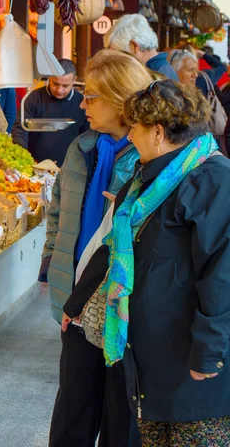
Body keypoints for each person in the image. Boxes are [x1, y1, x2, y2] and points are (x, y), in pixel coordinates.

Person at [64, 80, 230, 446]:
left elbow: (222, 274)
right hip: (150, 362)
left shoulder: (212, 180)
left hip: (192, 366)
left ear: (157, 132)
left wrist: (210, 353)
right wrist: (76, 303)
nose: (130, 138)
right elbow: (114, 245)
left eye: (134, 129)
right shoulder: (147, 179)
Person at [46, 50, 153, 447]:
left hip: (120, 304)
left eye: (91, 96)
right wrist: (50, 266)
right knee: (73, 405)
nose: (82, 103)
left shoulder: (150, 158)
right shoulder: (81, 147)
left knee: (119, 412)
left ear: (121, 98)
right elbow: (59, 212)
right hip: (76, 295)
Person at [12, 59, 89, 166]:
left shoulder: (82, 103)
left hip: (69, 167)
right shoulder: (33, 98)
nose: (59, 90)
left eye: (65, 86)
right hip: (34, 165)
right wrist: (22, 155)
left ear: (74, 80)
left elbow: (86, 138)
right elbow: (20, 129)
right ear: (49, 77)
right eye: (55, 84)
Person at [104, 14, 178, 80]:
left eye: (120, 55)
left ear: (134, 46)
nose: (118, 62)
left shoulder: (155, 76)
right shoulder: (161, 69)